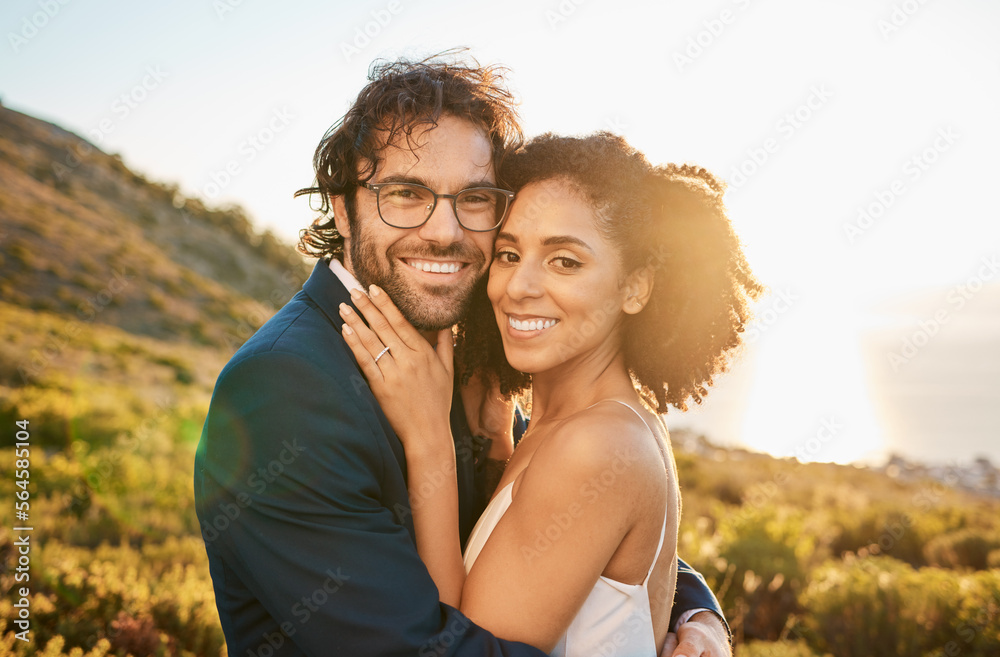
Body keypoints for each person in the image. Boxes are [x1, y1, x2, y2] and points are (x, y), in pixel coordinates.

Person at [194, 53, 732, 656]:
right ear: (343, 208)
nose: (445, 232)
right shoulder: (284, 388)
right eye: (405, 193)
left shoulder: (465, 352)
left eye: (473, 199)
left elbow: (569, 523)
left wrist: (698, 613)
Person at [340, 132, 762, 655]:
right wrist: (497, 444)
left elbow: (458, 647)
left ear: (635, 287)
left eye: (565, 261)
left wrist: (428, 437)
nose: (519, 287)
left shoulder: (595, 445)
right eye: (510, 253)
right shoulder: (582, 421)